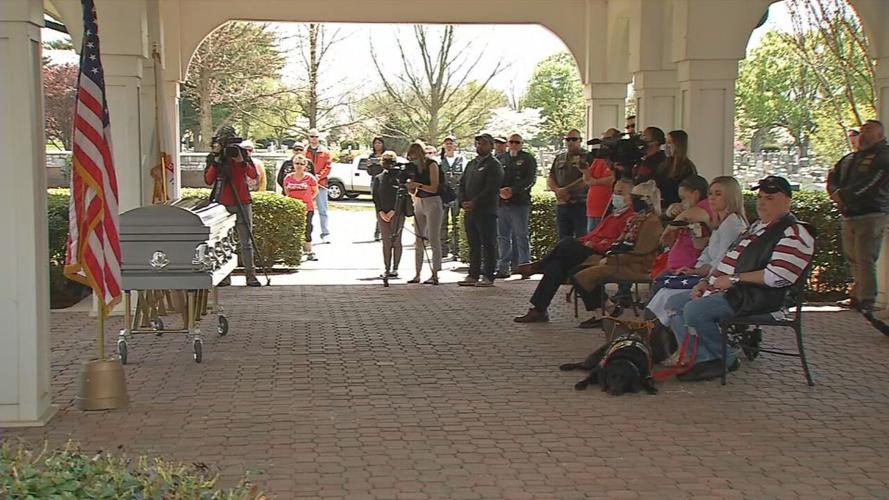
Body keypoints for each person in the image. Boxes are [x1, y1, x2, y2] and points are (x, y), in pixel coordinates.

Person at [664, 175, 815, 381]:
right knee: (674, 303)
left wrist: (734, 279)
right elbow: (729, 261)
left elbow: (778, 276)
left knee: (694, 310)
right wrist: (705, 283)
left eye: (770, 198)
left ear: (787, 201)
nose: (762, 202)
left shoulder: (794, 232)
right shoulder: (757, 227)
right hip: (734, 290)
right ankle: (702, 359)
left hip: (760, 298)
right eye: (760, 197)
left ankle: (726, 358)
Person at [643, 176, 749, 362]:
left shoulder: (732, 224)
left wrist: (699, 275)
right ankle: (684, 351)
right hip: (706, 277)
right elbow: (708, 255)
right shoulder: (721, 224)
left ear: (731, 197)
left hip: (721, 285)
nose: (712, 198)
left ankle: (697, 353)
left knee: (670, 300)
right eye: (710, 194)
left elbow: (722, 262)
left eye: (718, 194)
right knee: (666, 295)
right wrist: (693, 270)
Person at [513, 178, 636, 323]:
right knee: (556, 266)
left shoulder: (631, 217)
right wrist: (585, 242)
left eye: (620, 193)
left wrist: (594, 245)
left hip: (606, 254)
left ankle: (538, 266)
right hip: (590, 249)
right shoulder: (613, 215)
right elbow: (593, 234)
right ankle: (539, 309)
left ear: (631, 197)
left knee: (566, 243)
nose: (616, 196)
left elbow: (619, 242)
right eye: (614, 192)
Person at [572, 180, 664, 328]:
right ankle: (608, 310)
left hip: (636, 266)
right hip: (622, 260)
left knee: (582, 276)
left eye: (635, 197)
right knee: (578, 270)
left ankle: (603, 313)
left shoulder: (651, 222)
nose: (630, 200)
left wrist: (612, 259)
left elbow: (641, 252)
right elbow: (622, 242)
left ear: (646, 200)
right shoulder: (636, 219)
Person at [827, 119, 889, 312]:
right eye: (862, 130)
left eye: (869, 130)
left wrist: (845, 196)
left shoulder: (884, 157)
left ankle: (867, 298)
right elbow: (833, 176)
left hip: (871, 214)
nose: (863, 133)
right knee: (853, 257)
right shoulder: (850, 159)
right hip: (849, 215)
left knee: (865, 257)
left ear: (880, 135)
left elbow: (874, 182)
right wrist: (834, 192)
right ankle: (856, 293)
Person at [203, 126, 262, 287]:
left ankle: (251, 275)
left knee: (246, 241)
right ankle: (224, 275)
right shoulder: (215, 157)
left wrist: (241, 162)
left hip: (242, 200)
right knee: (223, 241)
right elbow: (208, 180)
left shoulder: (241, 153)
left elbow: (253, 175)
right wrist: (216, 159)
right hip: (223, 203)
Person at [458, 133, 504, 287]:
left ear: (491, 146)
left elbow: (491, 188)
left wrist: (475, 202)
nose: (480, 146)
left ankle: (489, 275)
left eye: (484, 143)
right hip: (470, 211)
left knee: (488, 243)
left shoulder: (494, 165)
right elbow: (462, 183)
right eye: (478, 143)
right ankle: (473, 274)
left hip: (486, 210)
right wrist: (463, 201)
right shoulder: (471, 164)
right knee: (474, 244)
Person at [496, 133, 537, 278]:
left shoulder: (528, 159)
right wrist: (500, 191)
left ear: (522, 143)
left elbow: (530, 179)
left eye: (517, 142)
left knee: (521, 236)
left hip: (520, 203)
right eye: (511, 142)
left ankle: (524, 266)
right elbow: (495, 178)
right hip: (502, 203)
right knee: (503, 236)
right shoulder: (501, 159)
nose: (513, 145)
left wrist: (513, 190)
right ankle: (503, 267)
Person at [405, 141, 444, 285]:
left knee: (433, 238)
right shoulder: (414, 168)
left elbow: (434, 187)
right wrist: (410, 187)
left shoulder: (431, 164)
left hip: (433, 201)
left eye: (414, 156)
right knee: (418, 239)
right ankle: (417, 273)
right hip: (419, 201)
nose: (413, 159)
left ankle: (435, 272)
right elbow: (412, 187)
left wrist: (418, 185)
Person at [659, 175, 713, 277]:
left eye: (683, 198)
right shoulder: (693, 209)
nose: (682, 202)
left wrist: (670, 226)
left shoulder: (703, 207)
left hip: (687, 269)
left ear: (696, 194)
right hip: (678, 267)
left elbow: (686, 216)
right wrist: (671, 209)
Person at [549, 129, 589, 239]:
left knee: (582, 238)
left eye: (574, 139)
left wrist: (566, 189)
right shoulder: (559, 158)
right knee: (563, 239)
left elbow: (586, 179)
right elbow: (551, 177)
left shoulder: (588, 157)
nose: (570, 142)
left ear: (580, 140)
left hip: (581, 204)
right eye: (568, 139)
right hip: (562, 204)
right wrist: (557, 190)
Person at [372, 150, 404, 278]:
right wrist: (380, 211)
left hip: (397, 213)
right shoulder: (378, 178)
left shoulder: (399, 178)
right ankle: (387, 268)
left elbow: (401, 195)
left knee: (396, 241)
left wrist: (394, 210)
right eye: (385, 161)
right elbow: (375, 196)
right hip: (382, 214)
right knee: (386, 242)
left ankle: (395, 268)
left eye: (391, 161)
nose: (388, 164)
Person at [283, 155, 319, 262]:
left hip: (307, 208)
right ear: (293, 164)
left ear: (305, 166)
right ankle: (294, 251)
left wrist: (308, 199)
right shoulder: (288, 178)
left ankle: (309, 251)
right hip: (293, 208)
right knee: (293, 229)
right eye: (297, 163)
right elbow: (286, 191)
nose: (299, 166)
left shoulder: (309, 178)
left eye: (301, 164)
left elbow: (315, 191)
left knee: (307, 229)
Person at [584, 128, 620, 231]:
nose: (604, 142)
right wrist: (583, 169)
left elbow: (614, 179)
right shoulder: (598, 159)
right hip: (592, 209)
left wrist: (595, 182)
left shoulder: (616, 160)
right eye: (603, 139)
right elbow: (587, 180)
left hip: (606, 209)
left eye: (608, 139)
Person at [439, 135, 465, 259]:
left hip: (456, 194)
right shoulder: (439, 160)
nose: (449, 145)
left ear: (455, 145)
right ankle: (443, 249)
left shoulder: (462, 160)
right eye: (447, 143)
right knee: (442, 223)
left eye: (451, 143)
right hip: (443, 195)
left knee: (456, 223)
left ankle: (456, 250)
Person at [657, 130, 697, 208]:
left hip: (676, 207)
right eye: (666, 142)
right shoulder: (664, 164)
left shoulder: (687, 167)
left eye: (670, 142)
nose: (666, 146)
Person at [305, 129, 332, 243]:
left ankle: (325, 233)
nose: (314, 139)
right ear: (309, 137)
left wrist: (318, 176)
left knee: (323, 210)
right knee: (306, 210)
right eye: (312, 137)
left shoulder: (325, 152)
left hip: (321, 185)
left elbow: (328, 167)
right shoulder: (305, 152)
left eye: (316, 137)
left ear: (319, 138)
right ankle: (304, 234)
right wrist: (310, 177)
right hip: (307, 185)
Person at [368, 137, 387, 241]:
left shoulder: (387, 155)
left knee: (386, 206)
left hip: (386, 182)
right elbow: (370, 172)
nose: (378, 145)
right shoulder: (371, 156)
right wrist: (370, 165)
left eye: (380, 143)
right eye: (376, 143)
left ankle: (383, 230)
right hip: (375, 182)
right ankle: (378, 231)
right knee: (378, 205)